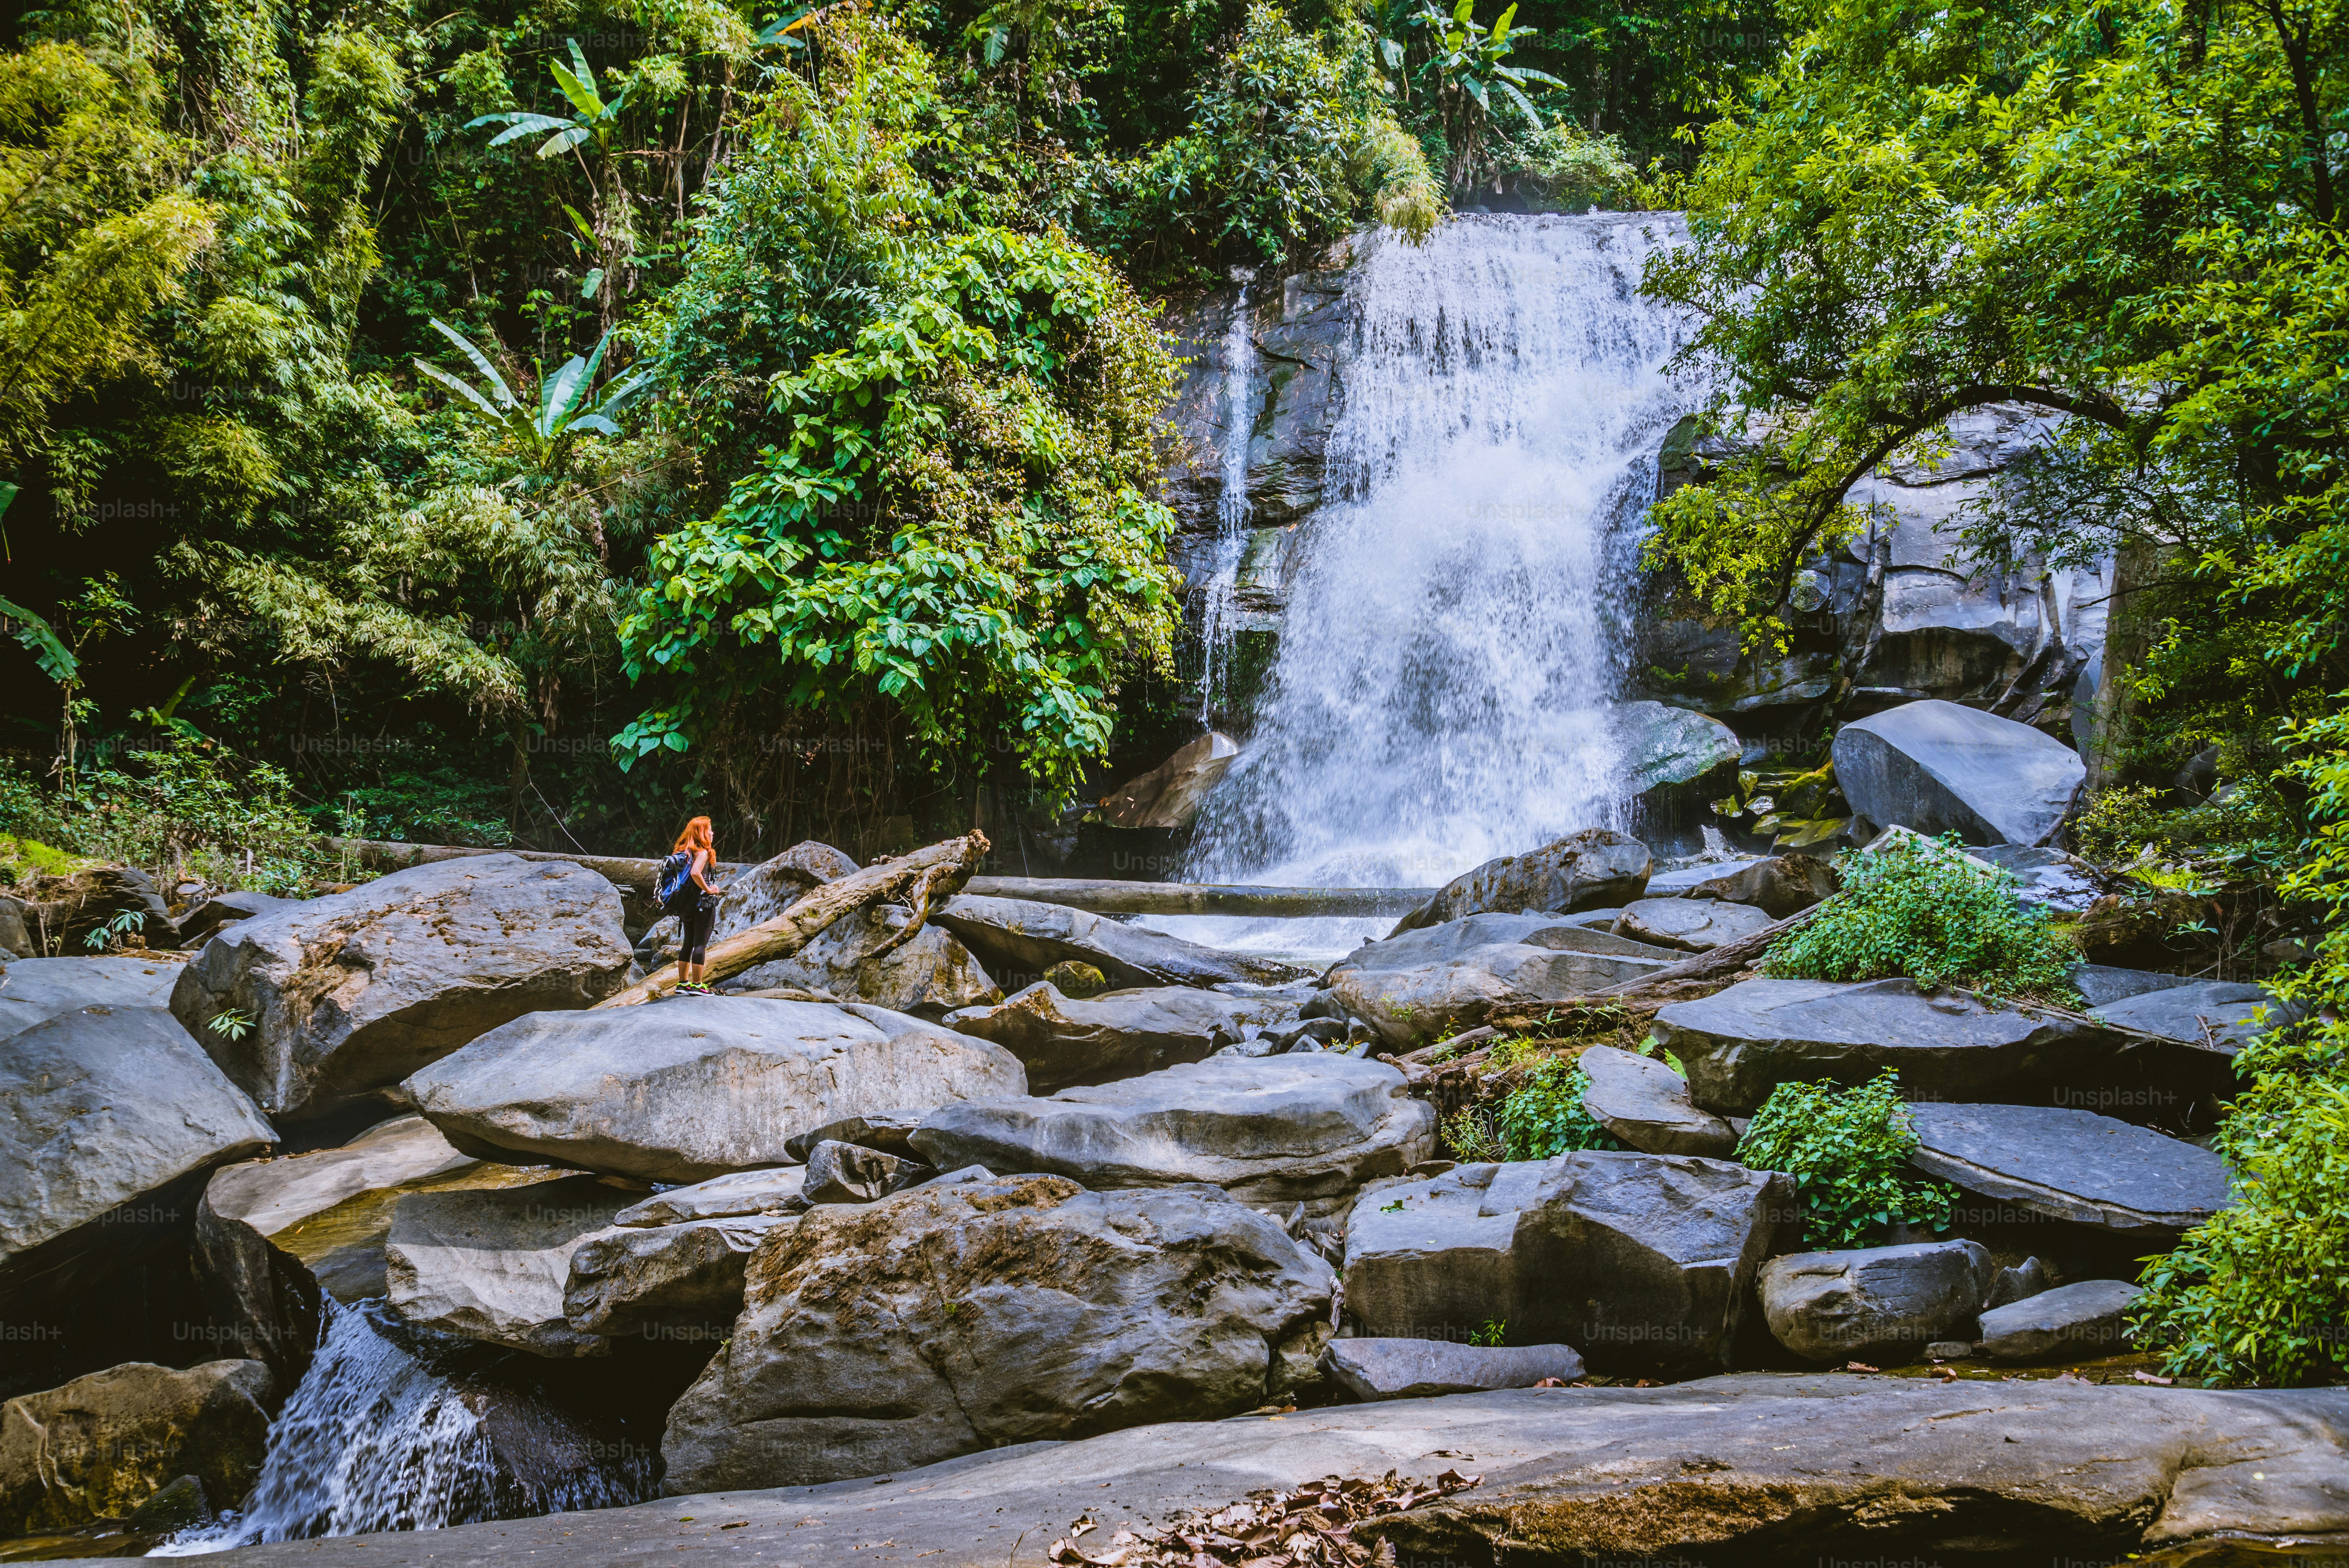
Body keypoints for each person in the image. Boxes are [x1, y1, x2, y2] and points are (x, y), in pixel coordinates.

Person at [663, 816, 726, 995]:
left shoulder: (684, 852)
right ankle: (697, 985)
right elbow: (696, 873)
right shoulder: (703, 852)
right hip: (703, 904)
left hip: (686, 905)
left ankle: (683, 983)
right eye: (710, 829)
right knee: (700, 944)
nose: (713, 833)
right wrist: (710, 889)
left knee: (688, 943)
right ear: (702, 833)